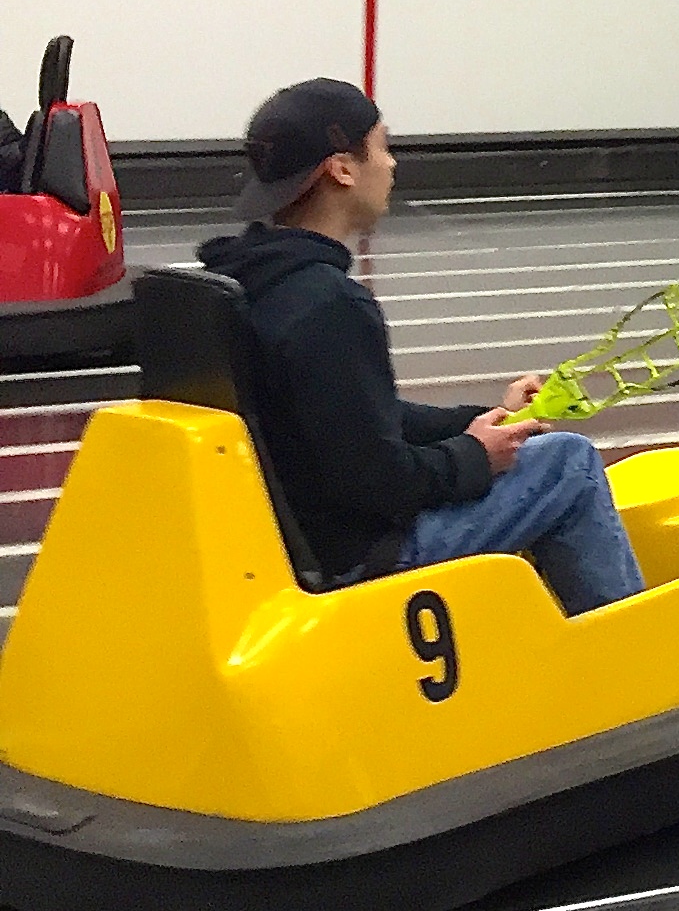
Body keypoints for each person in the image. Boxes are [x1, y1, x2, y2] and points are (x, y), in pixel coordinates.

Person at [199, 80, 646, 613]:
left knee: (538, 458)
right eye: (382, 146)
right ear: (342, 170)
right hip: (359, 557)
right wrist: (474, 456)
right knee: (567, 463)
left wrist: (488, 420)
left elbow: (355, 421)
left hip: (287, 538)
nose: (391, 164)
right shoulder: (330, 304)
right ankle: (627, 639)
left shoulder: (247, 280)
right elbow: (376, 482)